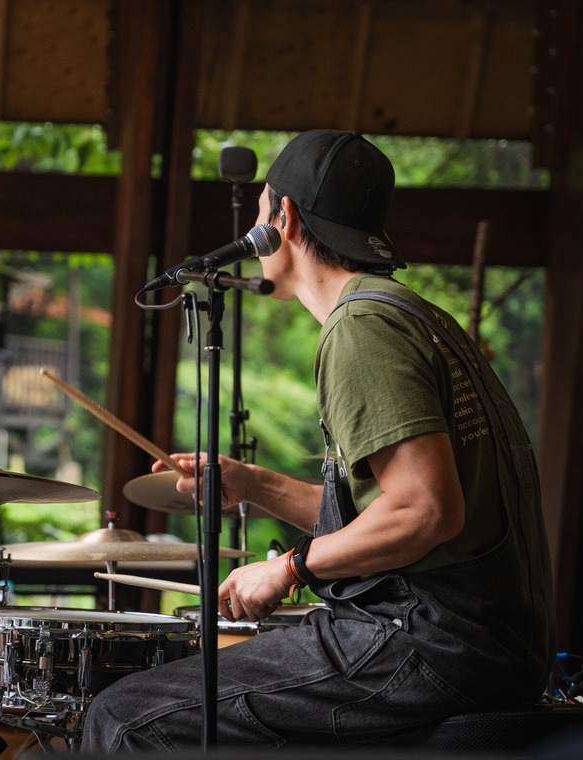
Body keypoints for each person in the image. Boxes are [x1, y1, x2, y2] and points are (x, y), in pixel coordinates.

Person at [82, 130, 555, 750]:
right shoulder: (416, 315)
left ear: (284, 217)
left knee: (123, 718)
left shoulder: (361, 327)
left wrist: (290, 567)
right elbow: (394, 512)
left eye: (260, 207)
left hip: (431, 644)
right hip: (482, 644)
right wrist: (252, 484)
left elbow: (426, 511)